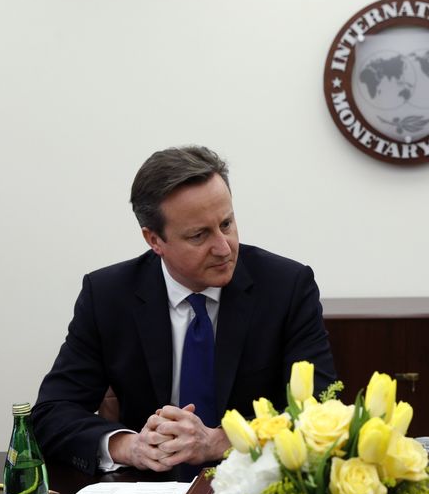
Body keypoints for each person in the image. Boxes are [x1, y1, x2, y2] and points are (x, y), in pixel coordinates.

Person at [32, 146, 336, 474]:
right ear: (154, 240)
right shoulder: (108, 295)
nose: (223, 247)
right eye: (198, 235)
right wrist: (128, 446)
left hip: (256, 484)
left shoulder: (286, 287)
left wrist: (220, 440)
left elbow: (319, 412)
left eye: (227, 223)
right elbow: (51, 413)